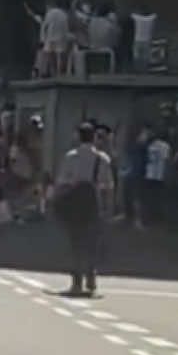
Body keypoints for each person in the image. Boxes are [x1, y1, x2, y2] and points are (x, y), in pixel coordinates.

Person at [52, 121, 115, 297]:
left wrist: (58, 200)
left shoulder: (71, 157)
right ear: (94, 137)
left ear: (78, 137)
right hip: (93, 204)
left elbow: (62, 182)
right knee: (92, 242)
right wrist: (108, 208)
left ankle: (76, 281)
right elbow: (108, 186)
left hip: (74, 204)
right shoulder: (102, 159)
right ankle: (91, 275)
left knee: (75, 242)